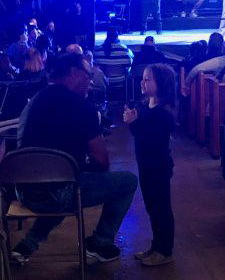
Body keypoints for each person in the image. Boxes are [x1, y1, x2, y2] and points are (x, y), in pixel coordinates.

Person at [12, 52, 137, 265]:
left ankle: (28, 244)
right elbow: (102, 160)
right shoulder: (82, 107)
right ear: (73, 72)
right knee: (125, 181)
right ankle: (100, 242)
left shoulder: (35, 100)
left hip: (22, 190)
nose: (90, 80)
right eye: (88, 74)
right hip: (59, 191)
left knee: (61, 180)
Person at [123, 63, 175, 266]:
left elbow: (150, 139)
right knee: (152, 208)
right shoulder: (145, 106)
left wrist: (134, 122)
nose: (142, 82)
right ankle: (156, 246)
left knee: (161, 208)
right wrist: (133, 120)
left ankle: (165, 250)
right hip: (145, 164)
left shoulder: (164, 113)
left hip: (158, 166)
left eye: (147, 79)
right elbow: (140, 133)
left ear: (160, 84)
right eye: (142, 78)